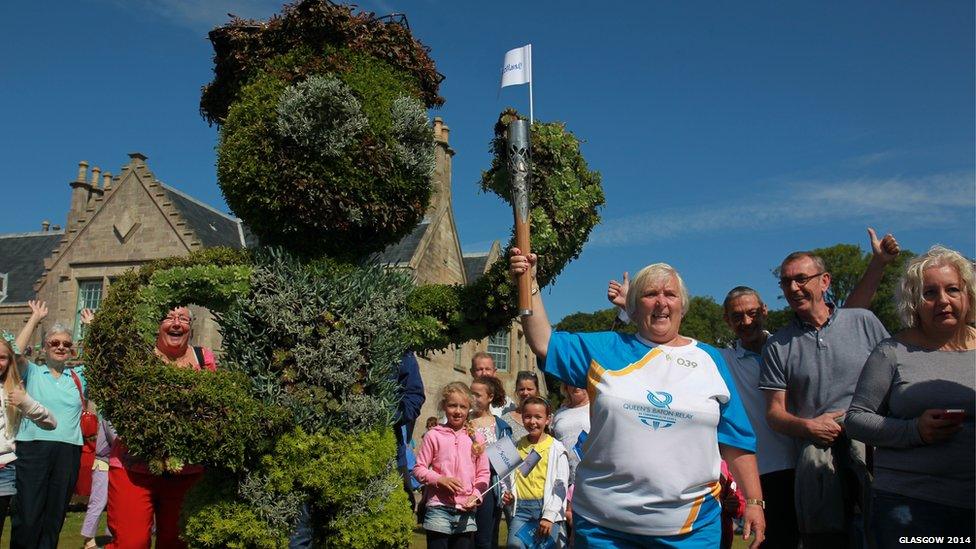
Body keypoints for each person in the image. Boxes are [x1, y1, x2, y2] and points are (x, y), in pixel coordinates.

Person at [510, 249, 766, 548]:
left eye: (670, 294)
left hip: (691, 528)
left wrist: (755, 501)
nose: (661, 302)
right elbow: (543, 342)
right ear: (633, 307)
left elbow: (737, 441)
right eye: (650, 294)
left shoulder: (710, 359)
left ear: (682, 306)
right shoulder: (603, 348)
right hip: (604, 527)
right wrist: (530, 283)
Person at [846, 245, 975, 548]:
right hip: (910, 502)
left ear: (967, 295)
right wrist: (914, 430)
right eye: (929, 293)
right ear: (914, 302)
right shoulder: (891, 351)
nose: (942, 300)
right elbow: (856, 420)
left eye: (952, 289)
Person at [760, 251, 889, 549]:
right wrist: (809, 427)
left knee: (881, 531)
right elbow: (774, 413)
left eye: (801, 279)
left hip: (873, 452)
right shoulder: (777, 345)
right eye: (786, 282)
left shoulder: (864, 322)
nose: (793, 288)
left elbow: (895, 379)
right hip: (818, 461)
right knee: (825, 538)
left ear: (825, 282)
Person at [105, 306, 217, 549]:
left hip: (185, 469)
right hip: (133, 466)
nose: (176, 324)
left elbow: (214, 407)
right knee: (130, 542)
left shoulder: (203, 359)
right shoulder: (136, 357)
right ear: (157, 324)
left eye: (183, 319)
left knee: (176, 542)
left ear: (191, 327)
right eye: (169, 317)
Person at [10, 300, 87, 549]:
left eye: (66, 344)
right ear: (45, 348)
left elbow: (106, 361)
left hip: (68, 450)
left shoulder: (79, 377)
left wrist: (93, 328)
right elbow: (13, 355)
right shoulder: (31, 372)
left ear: (72, 350)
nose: (61, 347)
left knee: (54, 518)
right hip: (33, 449)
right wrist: (34, 319)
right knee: (29, 514)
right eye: (55, 343)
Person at [413, 382, 489, 549]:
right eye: (452, 405)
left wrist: (476, 494)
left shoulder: (476, 438)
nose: (457, 411)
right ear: (444, 406)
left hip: (466, 511)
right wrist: (439, 479)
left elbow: (483, 473)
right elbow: (419, 469)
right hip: (438, 508)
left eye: (462, 406)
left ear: (469, 408)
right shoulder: (433, 435)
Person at [0, 336, 57, 545]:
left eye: (3, 358)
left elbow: (51, 422)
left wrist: (26, 403)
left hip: (4, 472)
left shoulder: (12, 391)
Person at [501, 396, 569, 548]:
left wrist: (549, 516)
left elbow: (561, 486)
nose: (532, 421)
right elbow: (506, 479)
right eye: (528, 416)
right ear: (522, 418)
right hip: (520, 511)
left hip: (545, 510)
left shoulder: (557, 449)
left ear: (548, 419)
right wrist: (506, 494)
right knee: (514, 545)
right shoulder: (516, 447)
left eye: (538, 417)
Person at [469, 376, 513, 549]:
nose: (473, 398)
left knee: (486, 539)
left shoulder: (500, 425)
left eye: (477, 395)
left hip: (489, 488)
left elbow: (507, 465)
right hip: (465, 485)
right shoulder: (463, 421)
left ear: (490, 397)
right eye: (470, 393)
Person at [82, 416, 116, 549]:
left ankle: (111, 535)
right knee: (98, 502)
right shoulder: (109, 417)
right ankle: (88, 539)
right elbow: (116, 439)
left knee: (115, 502)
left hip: (114, 465)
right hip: (103, 464)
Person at [500, 371, 542, 443]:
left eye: (529, 389)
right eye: (522, 389)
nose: (525, 393)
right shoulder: (506, 420)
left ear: (537, 391)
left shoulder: (545, 418)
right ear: (516, 391)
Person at [470, 352, 517, 416]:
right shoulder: (464, 398)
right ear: (472, 372)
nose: (484, 373)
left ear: (494, 372)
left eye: (487, 369)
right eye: (479, 369)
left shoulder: (507, 403)